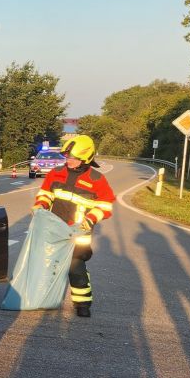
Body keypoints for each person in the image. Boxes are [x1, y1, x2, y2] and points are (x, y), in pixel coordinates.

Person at [33, 134, 114, 318]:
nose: (68, 160)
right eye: (67, 156)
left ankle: (82, 304)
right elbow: (45, 193)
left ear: (85, 158)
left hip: (79, 233)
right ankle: (46, 299)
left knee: (75, 268)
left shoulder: (96, 179)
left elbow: (106, 205)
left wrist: (91, 218)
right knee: (49, 266)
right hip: (54, 231)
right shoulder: (56, 173)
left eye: (73, 158)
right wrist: (41, 205)